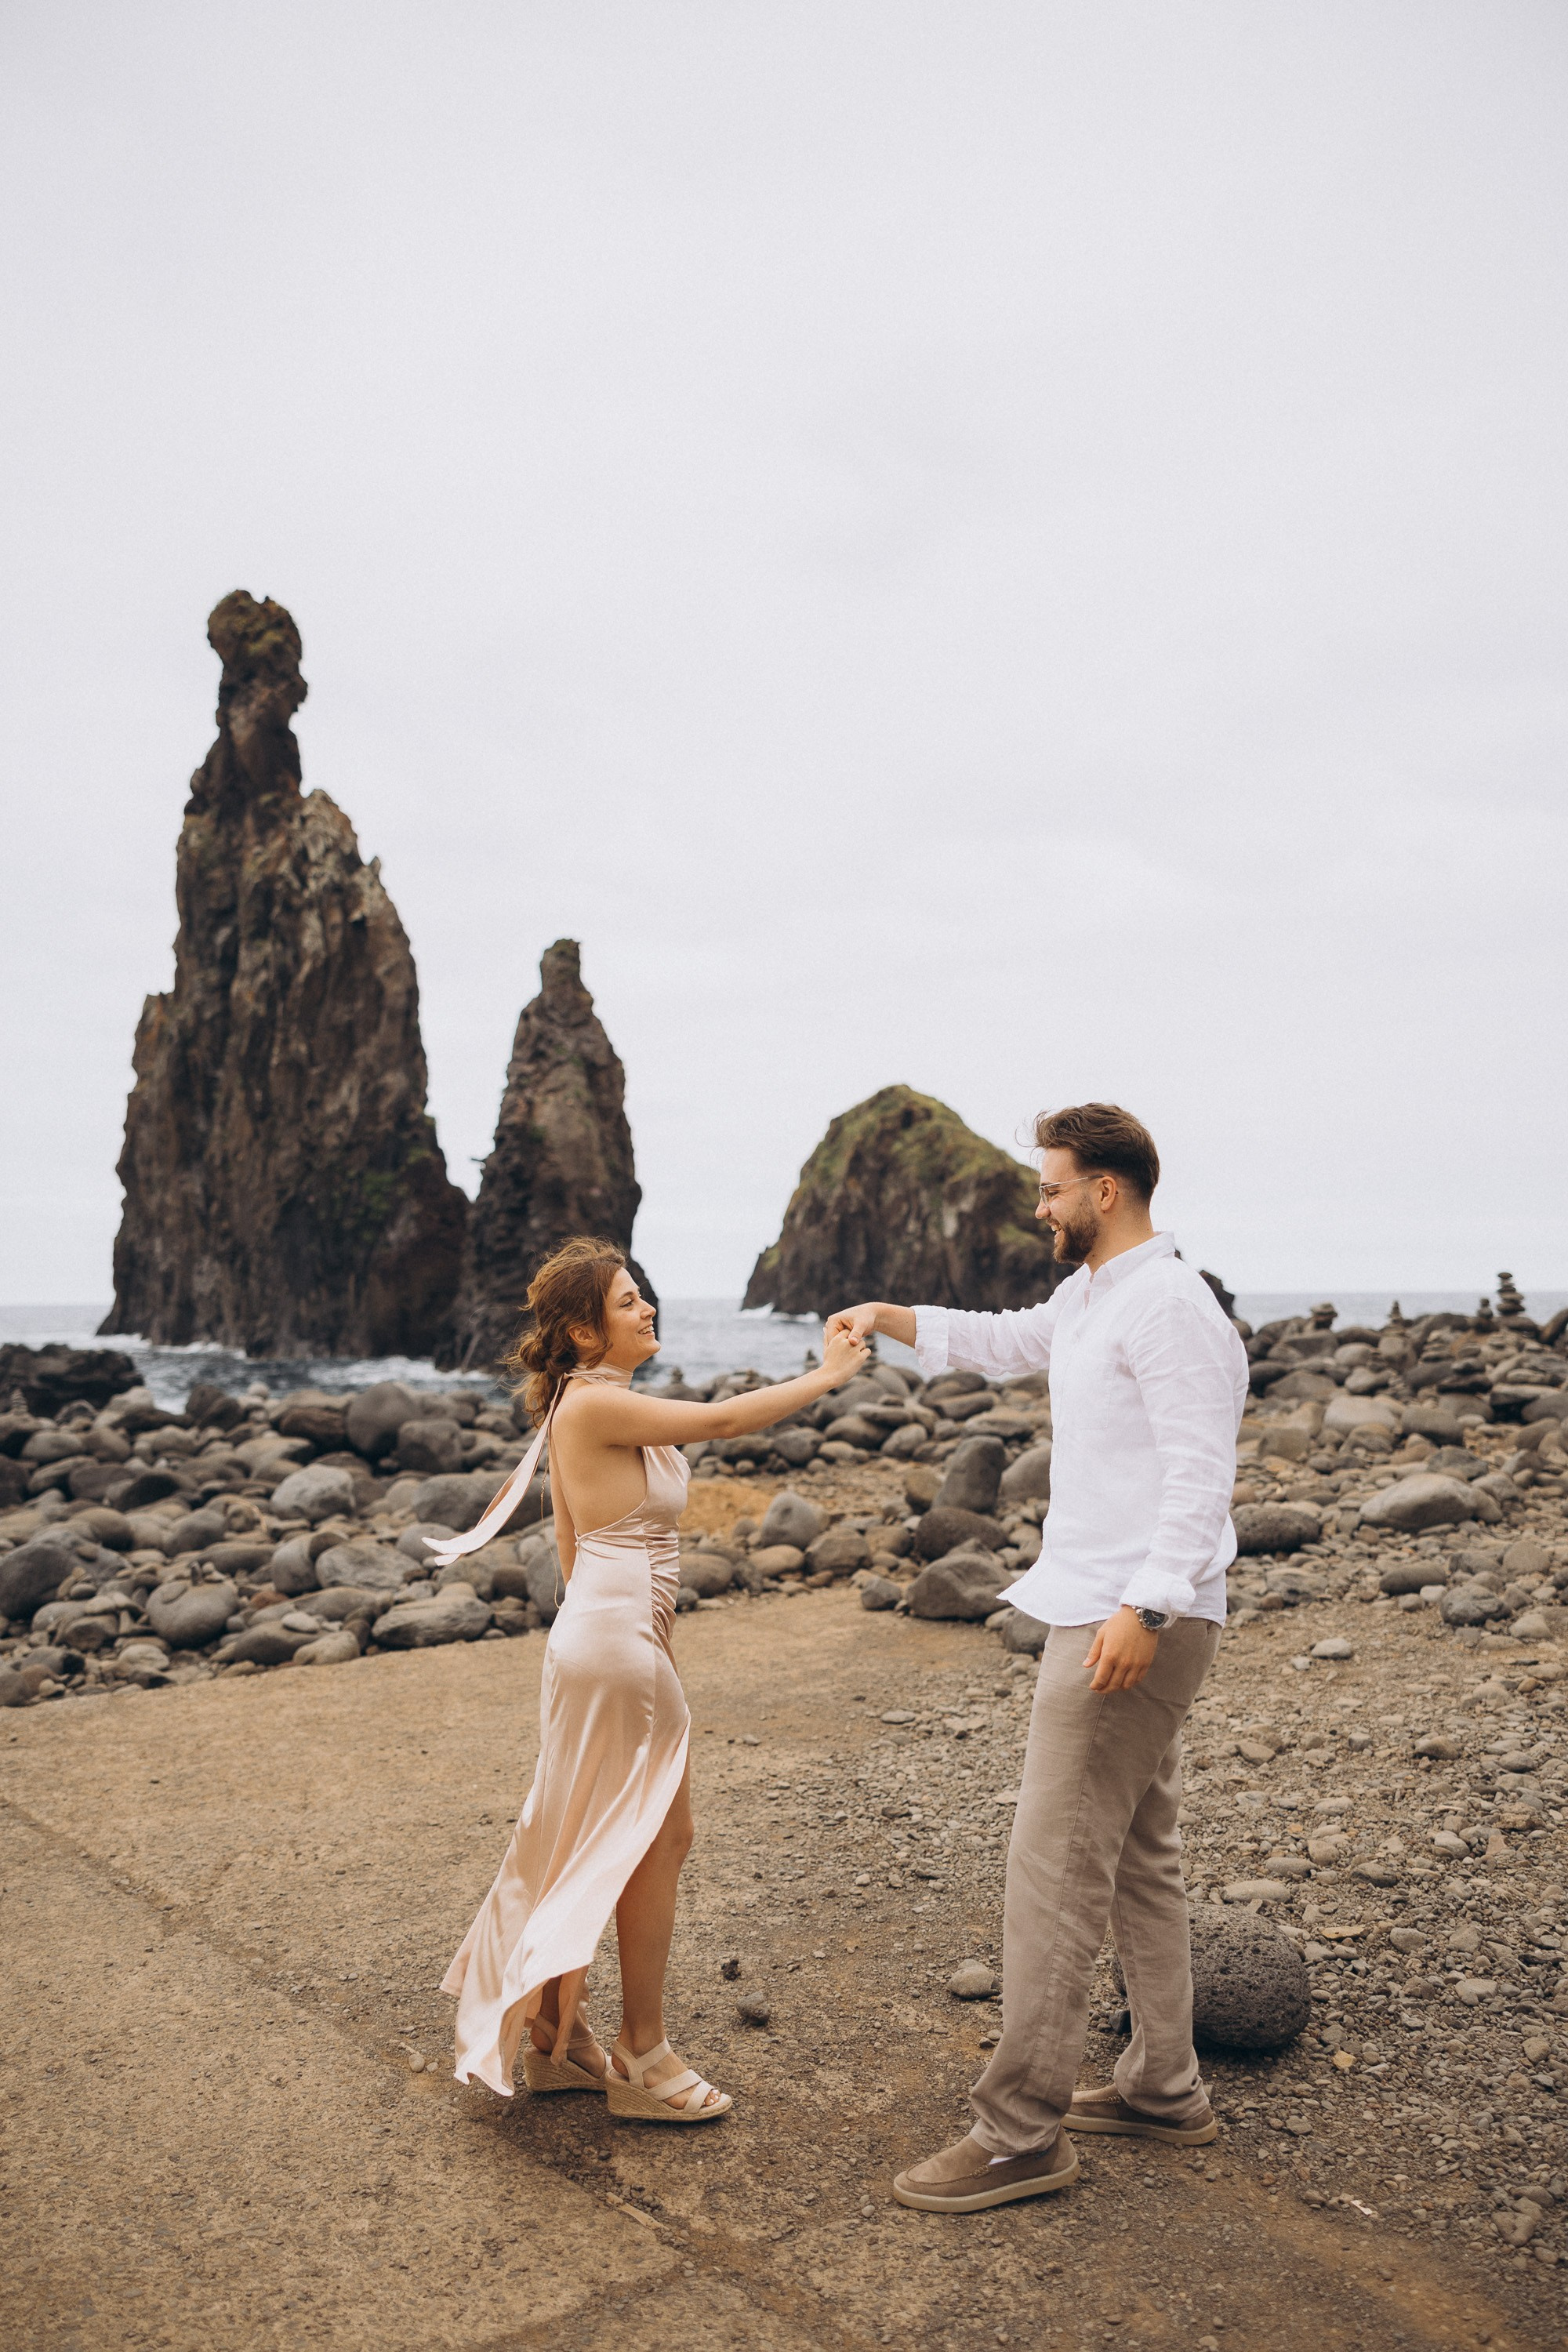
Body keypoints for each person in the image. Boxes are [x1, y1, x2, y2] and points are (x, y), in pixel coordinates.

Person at [827, 1102, 1248, 2212]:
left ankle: (1021, 2132)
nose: (1040, 1202)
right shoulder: (1095, 1295)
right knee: (1138, 1851)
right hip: (1112, 1606)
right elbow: (1007, 1337)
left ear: (1104, 1191)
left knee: (1054, 1867)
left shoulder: (1170, 1306)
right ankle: (1164, 2082)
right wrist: (889, 1315)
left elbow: (1204, 1477)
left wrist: (1146, 1606)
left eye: (1052, 1185)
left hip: (1132, 1619)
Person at [428, 1236, 869, 2123]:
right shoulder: (591, 1407)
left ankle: (561, 2041)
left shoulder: (591, 1406)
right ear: (585, 1335)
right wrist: (825, 1377)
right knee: (645, 1842)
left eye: (642, 1297)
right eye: (628, 1302)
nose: (648, 1309)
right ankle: (641, 2055)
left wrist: (637, 1645)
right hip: (612, 1646)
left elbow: (573, 1545)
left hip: (617, 1642)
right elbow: (718, 1422)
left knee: (604, 1837)